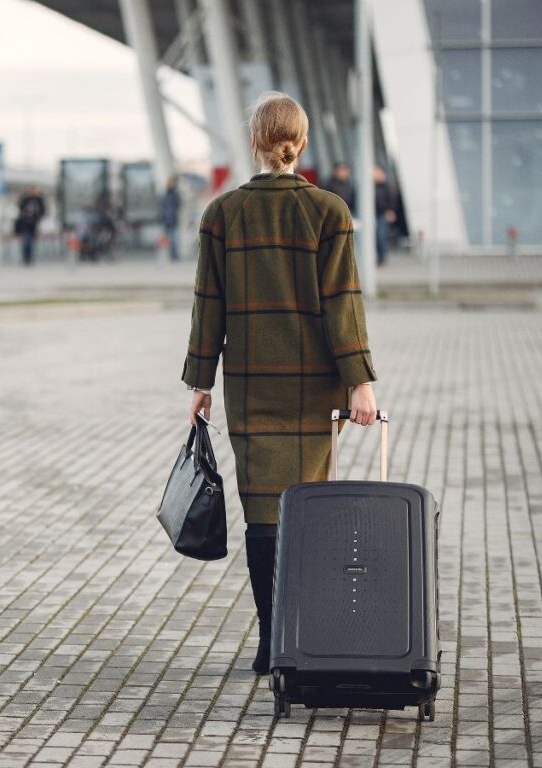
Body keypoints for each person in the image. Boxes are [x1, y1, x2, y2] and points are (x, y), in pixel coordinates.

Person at [182, 91, 379, 676]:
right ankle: (301, 638)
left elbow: (206, 306)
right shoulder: (329, 211)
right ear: (303, 142)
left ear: (254, 143)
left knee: (262, 514)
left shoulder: (222, 213)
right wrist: (360, 383)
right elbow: (343, 305)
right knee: (307, 510)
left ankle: (272, 641)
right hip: (314, 387)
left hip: (250, 386)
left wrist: (201, 381)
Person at [15, 185, 46, 266]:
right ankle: (26, 258)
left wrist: (36, 214)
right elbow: (20, 207)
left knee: (32, 243)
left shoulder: (39, 199)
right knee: (26, 242)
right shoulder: (25, 199)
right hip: (25, 224)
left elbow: (43, 211)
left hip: (34, 225)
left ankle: (30, 258)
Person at [374, 166, 397, 266]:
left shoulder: (388, 187)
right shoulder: (370, 186)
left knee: (381, 235)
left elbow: (393, 201)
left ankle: (382, 257)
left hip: (383, 214)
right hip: (373, 215)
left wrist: (390, 211)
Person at [160, 176, 181, 262]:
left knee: (174, 239)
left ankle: (173, 255)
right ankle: (168, 254)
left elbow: (178, 204)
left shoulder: (174, 194)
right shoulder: (165, 195)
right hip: (166, 220)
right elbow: (162, 207)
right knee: (167, 239)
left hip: (173, 219)